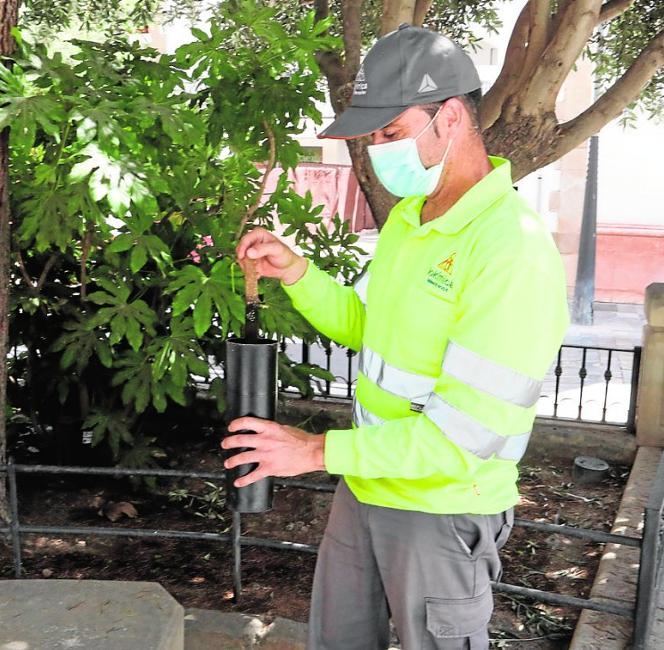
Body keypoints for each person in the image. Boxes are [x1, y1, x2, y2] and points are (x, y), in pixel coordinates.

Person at [225, 24, 569, 650]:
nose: (379, 151)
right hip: (367, 486)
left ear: (453, 117)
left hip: (442, 510)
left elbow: (461, 441)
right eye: (373, 136)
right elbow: (371, 327)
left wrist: (314, 452)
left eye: (392, 133)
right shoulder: (413, 219)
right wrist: (298, 273)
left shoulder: (511, 249)